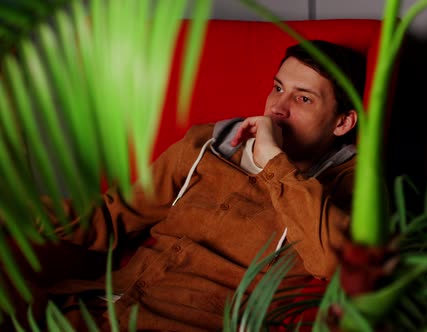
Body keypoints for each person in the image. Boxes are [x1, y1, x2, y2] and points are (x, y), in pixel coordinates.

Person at [17, 40, 366, 331]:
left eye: (303, 98)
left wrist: (274, 162)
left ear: (342, 122)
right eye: (278, 88)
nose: (277, 108)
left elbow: (332, 264)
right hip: (97, 309)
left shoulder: (351, 186)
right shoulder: (209, 144)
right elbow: (110, 220)